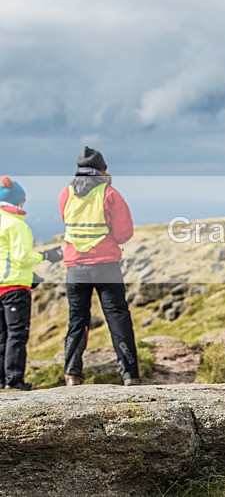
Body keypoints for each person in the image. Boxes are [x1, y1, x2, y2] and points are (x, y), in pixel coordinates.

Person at [58, 147, 140, 387]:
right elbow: (124, 233)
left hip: (75, 267)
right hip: (106, 267)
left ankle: (72, 374)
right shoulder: (110, 193)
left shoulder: (66, 194)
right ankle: (129, 375)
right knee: (117, 319)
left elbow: (66, 222)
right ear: (102, 171)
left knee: (77, 321)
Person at [0, 176, 63, 391]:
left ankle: (2, 380)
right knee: (17, 334)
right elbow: (22, 257)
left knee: (2, 336)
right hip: (15, 288)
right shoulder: (16, 225)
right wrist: (46, 256)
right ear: (18, 200)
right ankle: (15, 381)